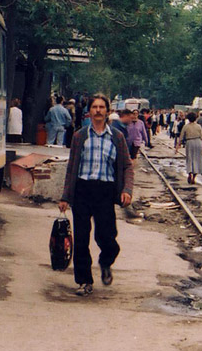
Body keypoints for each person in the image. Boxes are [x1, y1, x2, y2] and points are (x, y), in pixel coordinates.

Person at [58, 94, 134, 297]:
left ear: (107, 111)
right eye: (95, 107)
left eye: (102, 107)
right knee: (81, 238)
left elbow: (127, 165)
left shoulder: (116, 137)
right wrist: (66, 196)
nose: (98, 110)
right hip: (83, 190)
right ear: (89, 111)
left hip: (105, 192)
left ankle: (105, 262)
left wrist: (126, 190)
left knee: (108, 237)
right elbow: (72, 167)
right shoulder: (79, 136)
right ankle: (84, 281)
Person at [175, 111, 202, 184]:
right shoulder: (199, 126)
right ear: (195, 118)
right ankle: (194, 177)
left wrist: (177, 147)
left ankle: (190, 174)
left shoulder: (186, 126)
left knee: (190, 159)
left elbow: (181, 137)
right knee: (197, 159)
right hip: (198, 142)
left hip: (189, 143)